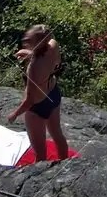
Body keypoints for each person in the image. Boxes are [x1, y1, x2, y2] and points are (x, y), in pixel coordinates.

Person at [7, 25, 67, 163]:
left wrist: (14, 114)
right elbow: (52, 56)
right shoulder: (53, 45)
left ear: (37, 42)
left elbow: (30, 100)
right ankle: (65, 163)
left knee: (40, 152)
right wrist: (32, 53)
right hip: (53, 94)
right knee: (57, 134)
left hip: (37, 107)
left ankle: (41, 175)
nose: (25, 41)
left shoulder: (33, 68)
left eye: (29, 40)